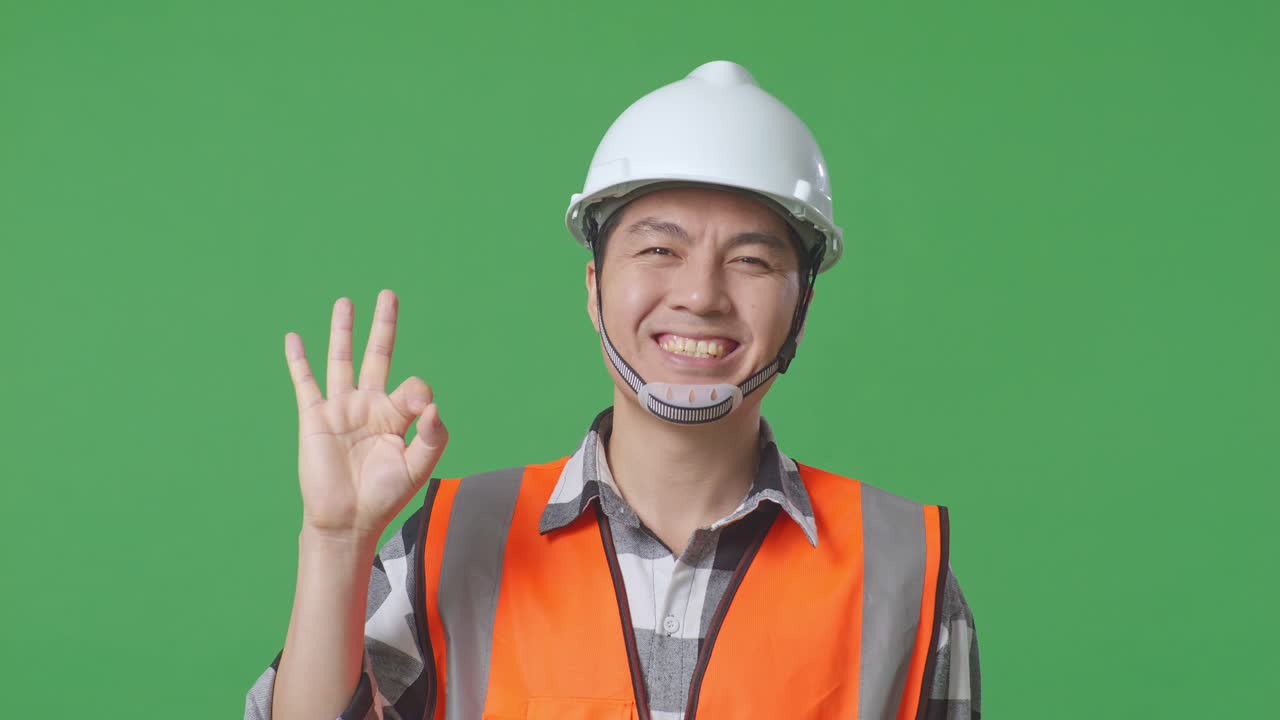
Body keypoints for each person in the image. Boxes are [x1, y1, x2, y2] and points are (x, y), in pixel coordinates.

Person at [245, 60, 981, 720]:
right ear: (594, 287)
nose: (700, 294)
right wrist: (335, 545)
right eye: (660, 249)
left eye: (752, 261)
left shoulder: (902, 571)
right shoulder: (449, 544)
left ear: (802, 306)